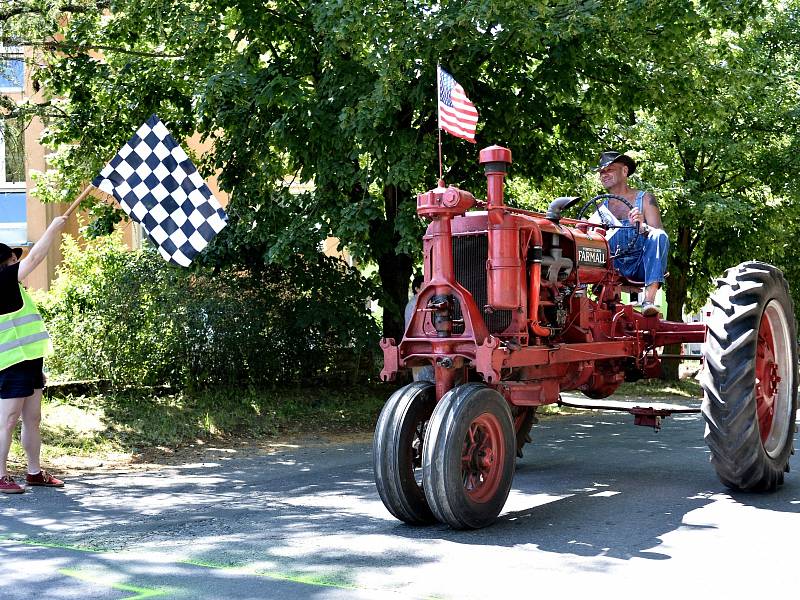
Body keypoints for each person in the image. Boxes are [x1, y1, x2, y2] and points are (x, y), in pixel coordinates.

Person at [0, 215, 68, 494]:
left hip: (28, 361)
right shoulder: (1, 281)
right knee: (7, 420)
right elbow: (36, 257)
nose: (17, 261)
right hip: (10, 363)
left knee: (32, 418)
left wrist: (36, 366)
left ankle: (34, 472)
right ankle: (0, 475)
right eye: (12, 259)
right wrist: (52, 228)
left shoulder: (14, 287)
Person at [594, 150, 669, 317]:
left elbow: (659, 235)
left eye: (609, 169)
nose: (604, 175)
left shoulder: (645, 199)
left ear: (625, 171)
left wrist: (642, 227)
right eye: (601, 172)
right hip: (614, 269)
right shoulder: (600, 208)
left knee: (658, 236)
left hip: (642, 264)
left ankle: (648, 301)